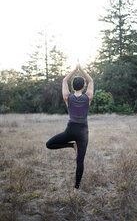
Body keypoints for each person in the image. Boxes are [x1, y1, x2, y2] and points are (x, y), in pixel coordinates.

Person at [46, 61, 94, 193]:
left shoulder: (68, 97)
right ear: (83, 87)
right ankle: (76, 188)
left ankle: (71, 145)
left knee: (49, 144)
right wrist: (81, 69)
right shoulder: (88, 97)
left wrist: (74, 70)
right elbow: (91, 80)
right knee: (80, 161)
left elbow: (64, 80)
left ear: (72, 87)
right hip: (83, 133)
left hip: (70, 131)